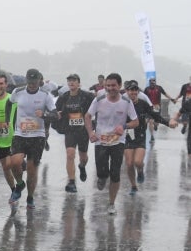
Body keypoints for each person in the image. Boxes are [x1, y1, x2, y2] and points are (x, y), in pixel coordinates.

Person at [84, 73, 139, 215]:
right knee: (102, 172)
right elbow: (88, 116)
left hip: (118, 142)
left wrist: (124, 126)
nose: (110, 88)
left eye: (113, 85)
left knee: (115, 174)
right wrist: (91, 133)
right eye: (107, 85)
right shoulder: (99, 99)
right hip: (101, 142)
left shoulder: (126, 101)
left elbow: (136, 121)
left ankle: (111, 203)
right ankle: (102, 177)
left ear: (120, 86)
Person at [8, 68, 58, 209]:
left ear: (39, 81)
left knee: (31, 169)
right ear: (26, 80)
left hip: (37, 136)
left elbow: (55, 115)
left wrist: (43, 115)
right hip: (20, 134)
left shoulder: (45, 95)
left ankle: (30, 197)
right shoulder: (18, 92)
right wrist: (7, 120)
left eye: (34, 82)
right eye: (30, 82)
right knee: (14, 162)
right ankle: (20, 184)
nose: (32, 85)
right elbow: (9, 103)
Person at [123, 80, 170, 193]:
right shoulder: (122, 103)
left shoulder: (143, 104)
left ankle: (140, 170)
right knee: (129, 164)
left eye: (135, 90)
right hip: (127, 136)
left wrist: (168, 123)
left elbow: (154, 115)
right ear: (127, 91)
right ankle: (133, 186)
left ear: (138, 91)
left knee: (138, 162)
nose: (133, 92)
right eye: (131, 90)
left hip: (140, 136)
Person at [54, 73, 95, 192]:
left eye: (74, 81)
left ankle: (82, 167)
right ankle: (71, 182)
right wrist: (57, 115)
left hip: (83, 131)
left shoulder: (87, 96)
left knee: (83, 157)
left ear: (79, 83)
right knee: (70, 154)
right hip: (70, 130)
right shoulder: (64, 97)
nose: (71, 83)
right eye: (69, 81)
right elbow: (56, 110)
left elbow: (97, 105)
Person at [0, 74, 18, 194]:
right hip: (0, 140)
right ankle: (13, 190)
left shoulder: (12, 99)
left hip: (14, 138)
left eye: (1, 84)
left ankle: (20, 182)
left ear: (6, 85)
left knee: (10, 164)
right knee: (5, 168)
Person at [142, 77, 174, 144]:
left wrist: (171, 99)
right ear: (149, 82)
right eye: (151, 82)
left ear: (155, 82)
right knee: (150, 121)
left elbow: (165, 94)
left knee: (156, 121)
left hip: (157, 107)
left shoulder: (159, 88)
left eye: (153, 82)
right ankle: (152, 136)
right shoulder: (147, 89)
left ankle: (156, 125)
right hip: (149, 107)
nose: (152, 83)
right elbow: (143, 97)